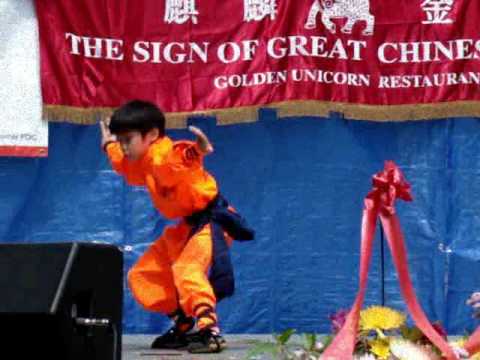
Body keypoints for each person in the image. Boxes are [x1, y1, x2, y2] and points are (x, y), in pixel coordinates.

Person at [99, 100, 254, 353]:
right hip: (187, 226)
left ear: (152, 135)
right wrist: (109, 144)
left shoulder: (161, 153)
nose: (123, 146)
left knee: (187, 269)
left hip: (212, 221)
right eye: (121, 139)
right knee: (143, 275)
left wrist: (197, 150)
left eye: (127, 139)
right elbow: (121, 161)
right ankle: (183, 322)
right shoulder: (140, 159)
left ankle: (209, 330)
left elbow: (180, 156)